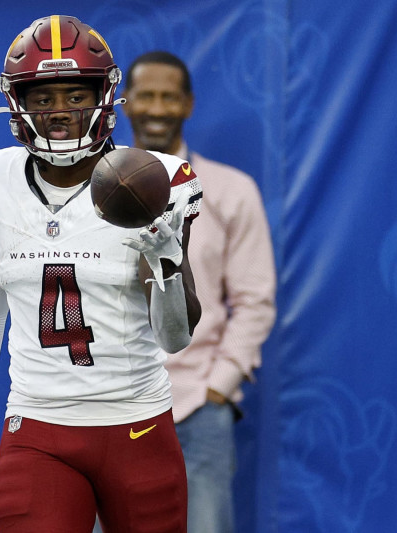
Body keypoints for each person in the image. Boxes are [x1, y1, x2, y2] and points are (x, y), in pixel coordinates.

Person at [0, 17, 203, 533]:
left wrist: (167, 266)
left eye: (75, 94)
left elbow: (175, 338)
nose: (60, 112)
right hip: (38, 427)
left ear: (105, 97)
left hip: (136, 423)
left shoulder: (158, 181)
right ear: (18, 104)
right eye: (43, 99)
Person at [119, 50, 277, 533]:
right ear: (125, 104)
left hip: (197, 409)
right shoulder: (88, 193)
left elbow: (254, 300)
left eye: (170, 97)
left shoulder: (231, 190)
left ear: (188, 104)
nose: (158, 108)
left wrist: (219, 387)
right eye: (146, 95)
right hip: (109, 404)